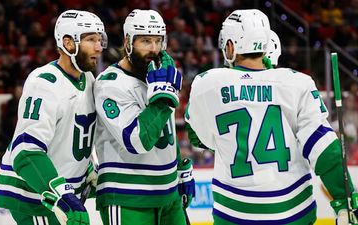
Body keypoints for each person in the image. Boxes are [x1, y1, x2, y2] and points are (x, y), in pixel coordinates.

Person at [185, 9, 357, 225]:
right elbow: (323, 149)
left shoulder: (207, 83)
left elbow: (198, 138)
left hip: (234, 213)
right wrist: (344, 198)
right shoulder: (296, 83)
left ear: (230, 45)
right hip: (293, 212)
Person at [0, 9, 107, 225]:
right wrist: (61, 194)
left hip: (59, 190)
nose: (99, 47)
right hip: (35, 194)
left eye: (100, 40)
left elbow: (71, 134)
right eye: (91, 39)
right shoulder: (44, 83)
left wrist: (88, 168)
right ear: (68, 43)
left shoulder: (89, 79)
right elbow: (26, 150)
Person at [93, 9, 195, 225]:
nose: (154, 49)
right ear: (128, 42)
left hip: (168, 194)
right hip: (128, 197)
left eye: (158, 41)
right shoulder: (109, 83)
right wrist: (163, 97)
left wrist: (179, 166)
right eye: (146, 41)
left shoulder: (156, 75)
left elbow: (164, 130)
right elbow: (137, 140)